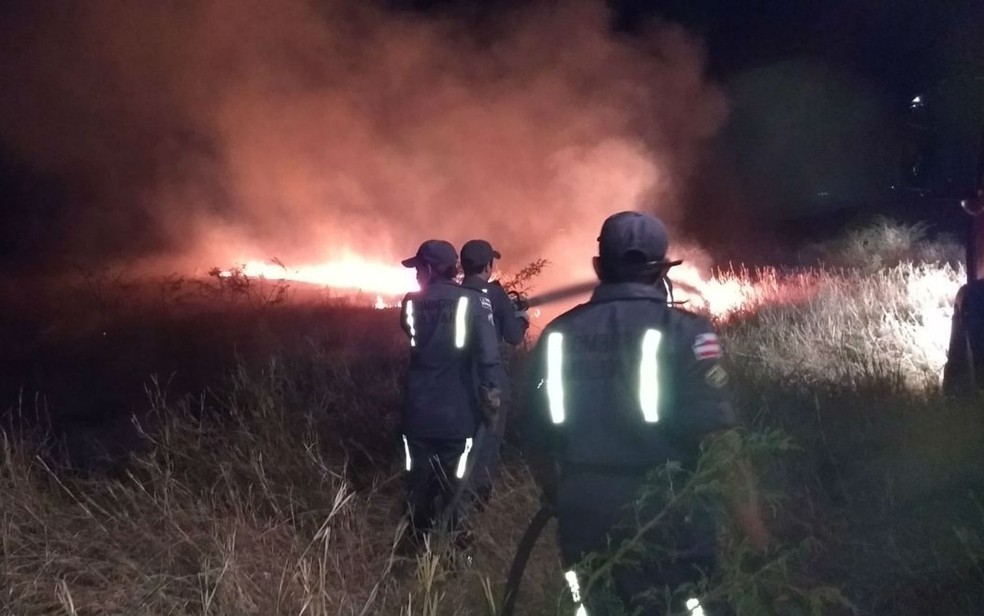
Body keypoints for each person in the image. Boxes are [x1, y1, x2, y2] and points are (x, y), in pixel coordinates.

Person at [522, 212, 769, 615]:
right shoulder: (687, 332)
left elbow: (534, 438)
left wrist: (562, 496)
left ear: (599, 267)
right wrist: (754, 534)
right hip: (670, 513)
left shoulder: (558, 335)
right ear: (661, 270)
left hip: (584, 515)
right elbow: (720, 440)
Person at [398, 239, 502, 546]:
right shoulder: (472, 302)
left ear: (430, 269)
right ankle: (455, 557)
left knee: (417, 485)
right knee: (456, 489)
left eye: (418, 268)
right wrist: (492, 399)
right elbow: (488, 357)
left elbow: (411, 332)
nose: (416, 274)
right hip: (458, 414)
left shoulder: (410, 302)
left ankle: (416, 547)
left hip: (416, 413)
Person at [459, 239, 530, 502]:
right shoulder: (496, 296)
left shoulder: (457, 294)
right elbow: (512, 337)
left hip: (461, 386)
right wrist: (521, 318)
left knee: (462, 449)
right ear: (488, 266)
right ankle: (476, 509)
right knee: (487, 450)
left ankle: (454, 501)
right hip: (493, 386)